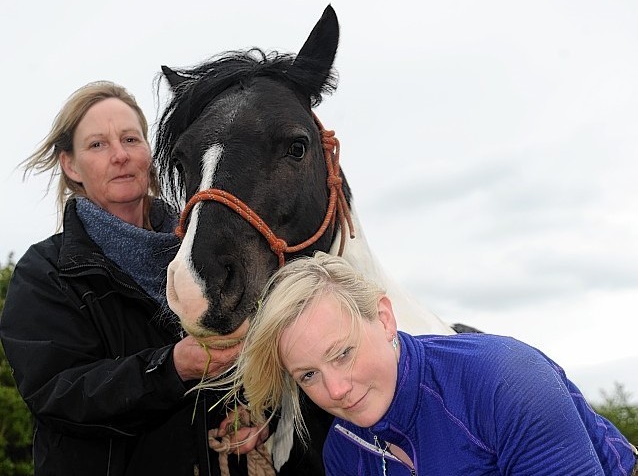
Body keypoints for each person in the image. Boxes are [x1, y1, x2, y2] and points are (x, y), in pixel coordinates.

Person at [0, 81, 244, 476]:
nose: (120, 155)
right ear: (71, 165)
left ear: (149, 152)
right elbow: (59, 393)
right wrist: (170, 368)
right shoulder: (45, 272)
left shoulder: (204, 254)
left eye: (131, 138)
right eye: (97, 145)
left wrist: (251, 415)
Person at [232, 252, 638, 475]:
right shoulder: (343, 451)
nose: (336, 390)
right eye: (308, 375)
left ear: (385, 319)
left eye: (343, 353)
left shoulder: (505, 381)